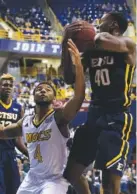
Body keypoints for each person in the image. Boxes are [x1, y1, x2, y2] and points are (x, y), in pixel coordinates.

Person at [62, 12, 136, 194]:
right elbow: (69, 77)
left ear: (114, 26)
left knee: (109, 184)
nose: (96, 25)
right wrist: (65, 43)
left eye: (101, 23)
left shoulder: (128, 45)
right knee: (69, 176)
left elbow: (102, 39)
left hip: (116, 116)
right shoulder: (92, 50)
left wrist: (86, 33)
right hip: (94, 115)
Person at [0, 39, 86, 194]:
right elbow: (3, 133)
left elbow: (78, 97)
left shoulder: (59, 117)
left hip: (54, 179)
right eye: (39, 88)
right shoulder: (25, 121)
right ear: (33, 96)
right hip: (32, 178)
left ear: (54, 98)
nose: (43, 90)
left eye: (48, 89)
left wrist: (78, 66)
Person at [0, 73, 28, 194]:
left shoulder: (18, 108)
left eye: (10, 85)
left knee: (14, 189)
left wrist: (30, 155)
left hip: (10, 154)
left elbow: (18, 140)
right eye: (4, 84)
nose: (8, 87)